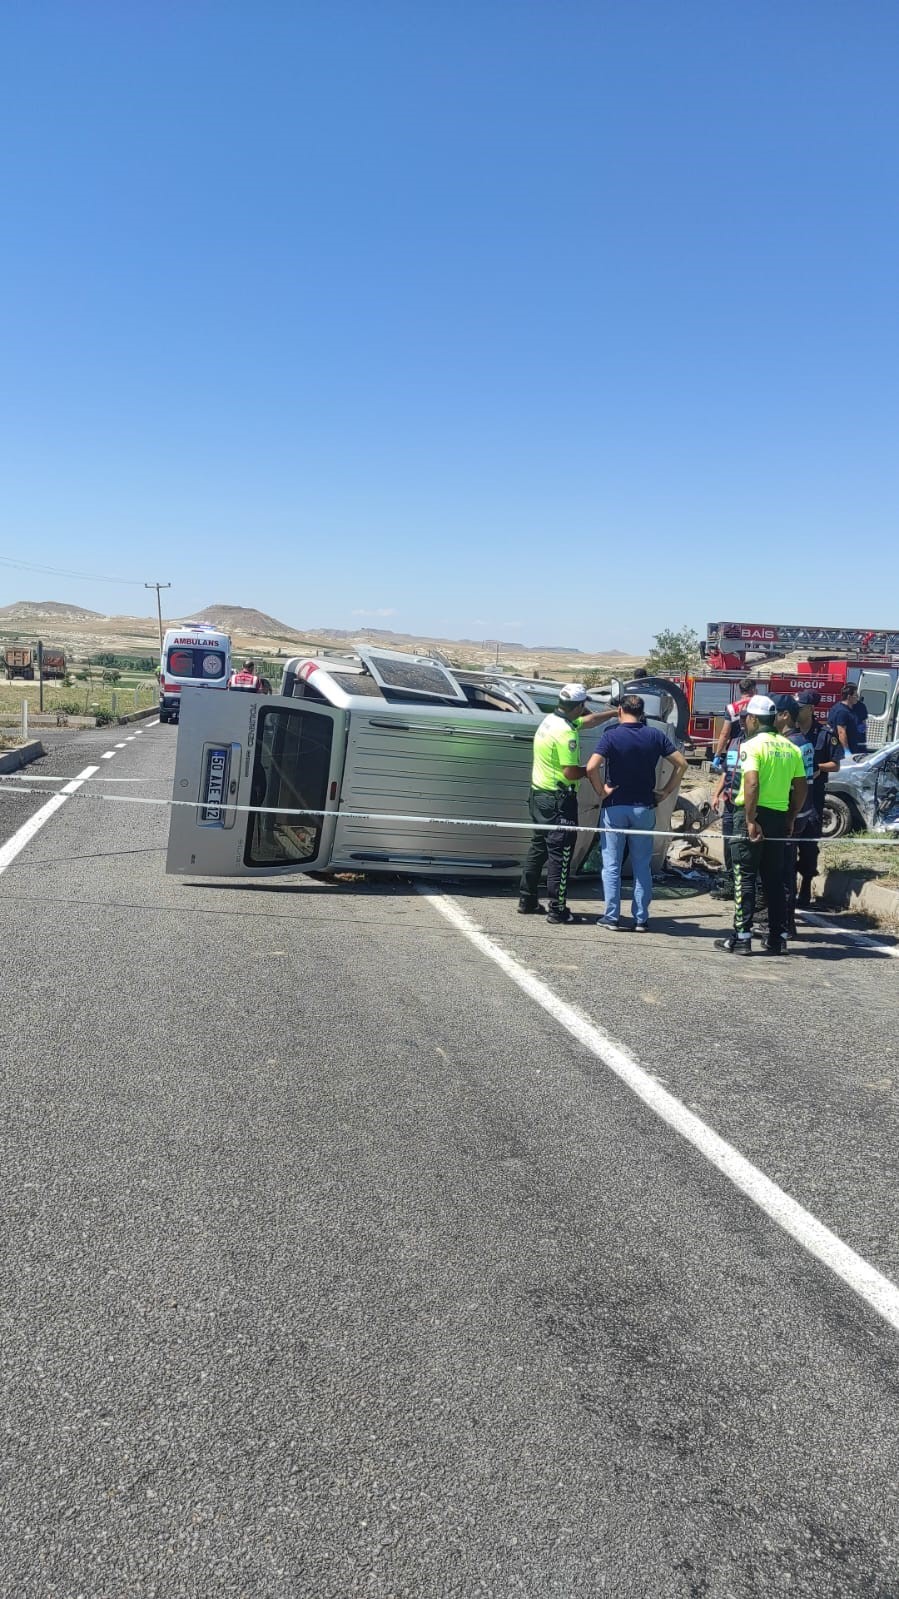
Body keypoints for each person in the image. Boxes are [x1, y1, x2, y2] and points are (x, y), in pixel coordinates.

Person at [714, 695, 806, 956]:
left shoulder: (751, 746)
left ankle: (742, 937)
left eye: (746, 719)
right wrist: (791, 817)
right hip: (779, 817)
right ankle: (777, 937)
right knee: (774, 880)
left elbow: (751, 783)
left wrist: (752, 819)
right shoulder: (791, 748)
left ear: (753, 719)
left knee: (744, 877)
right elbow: (801, 787)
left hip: (751, 816)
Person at [587, 694, 687, 931]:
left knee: (611, 864)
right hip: (644, 807)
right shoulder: (654, 735)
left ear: (620, 710)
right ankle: (641, 917)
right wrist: (664, 791)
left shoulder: (611, 735)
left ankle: (611, 916)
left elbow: (592, 767)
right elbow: (681, 764)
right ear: (642, 712)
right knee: (642, 865)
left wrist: (601, 790)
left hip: (615, 806)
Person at [518, 684, 615, 924]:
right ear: (580, 706)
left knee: (538, 848)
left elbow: (588, 721)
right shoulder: (567, 734)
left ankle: (527, 900)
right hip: (559, 801)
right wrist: (592, 769)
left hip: (539, 796)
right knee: (560, 855)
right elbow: (570, 772)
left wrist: (613, 713)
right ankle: (557, 909)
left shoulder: (552, 721)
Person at [792, 690, 839, 907]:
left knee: (809, 849)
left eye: (800, 708)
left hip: (813, 801)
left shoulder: (825, 734)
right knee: (788, 848)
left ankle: (805, 888)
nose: (796, 711)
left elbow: (836, 764)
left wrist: (817, 767)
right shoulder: (788, 734)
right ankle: (788, 889)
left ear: (811, 709)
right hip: (790, 800)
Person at [709, 706, 748, 900]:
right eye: (739, 719)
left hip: (745, 805)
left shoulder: (755, 744)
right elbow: (726, 772)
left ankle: (742, 887)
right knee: (728, 844)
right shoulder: (734, 743)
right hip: (729, 803)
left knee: (741, 848)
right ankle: (731, 883)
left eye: (745, 719)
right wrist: (716, 794)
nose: (741, 722)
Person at [712, 677, 757, 768]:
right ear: (753, 690)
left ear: (740, 691)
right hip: (756, 747)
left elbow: (725, 734)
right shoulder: (760, 705)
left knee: (733, 777)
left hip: (735, 748)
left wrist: (717, 755)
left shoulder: (731, 708)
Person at [827, 684, 861, 759]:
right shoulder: (842, 711)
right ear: (849, 697)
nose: (857, 698)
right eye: (856, 695)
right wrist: (846, 750)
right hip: (842, 751)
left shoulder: (839, 707)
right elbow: (841, 732)